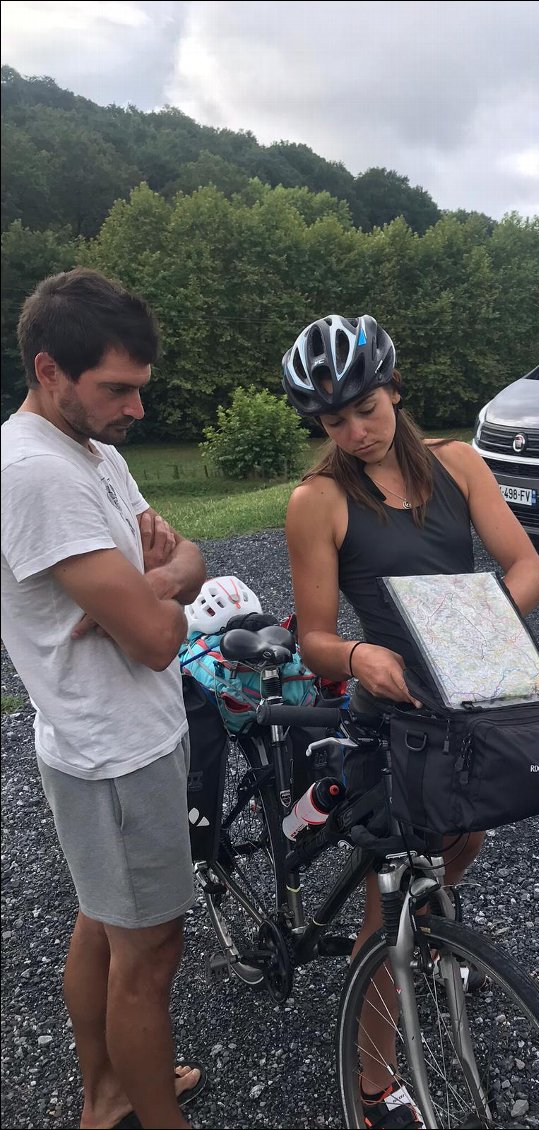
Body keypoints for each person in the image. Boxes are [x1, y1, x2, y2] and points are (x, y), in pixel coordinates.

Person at [282, 313, 539, 1129]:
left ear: (395, 390)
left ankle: (431, 935)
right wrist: (360, 657)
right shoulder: (317, 501)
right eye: (334, 421)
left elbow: (527, 567)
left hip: (466, 691)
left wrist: (472, 635)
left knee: (465, 835)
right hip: (390, 712)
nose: (355, 431)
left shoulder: (459, 465)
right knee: (384, 906)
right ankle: (373, 1084)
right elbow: (319, 639)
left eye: (367, 408)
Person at [0, 268, 208, 1130]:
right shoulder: (36, 474)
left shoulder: (94, 453)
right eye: (116, 388)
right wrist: (165, 594)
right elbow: (163, 639)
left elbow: (187, 554)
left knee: (102, 922)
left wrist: (157, 578)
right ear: (50, 371)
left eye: (139, 388)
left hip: (116, 735)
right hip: (113, 752)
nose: (136, 408)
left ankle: (108, 1090)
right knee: (149, 951)